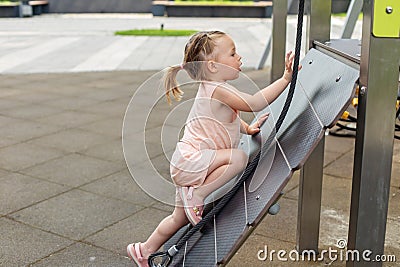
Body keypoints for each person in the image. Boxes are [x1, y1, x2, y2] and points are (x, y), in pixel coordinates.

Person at [127, 30, 297, 267]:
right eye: (232, 53)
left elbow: (226, 119)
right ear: (213, 66)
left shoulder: (214, 89)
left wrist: (247, 129)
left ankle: (143, 250)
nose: (239, 57)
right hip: (193, 159)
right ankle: (197, 194)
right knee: (238, 158)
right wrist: (286, 79)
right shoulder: (218, 90)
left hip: (188, 161)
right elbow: (254, 103)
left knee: (178, 219)